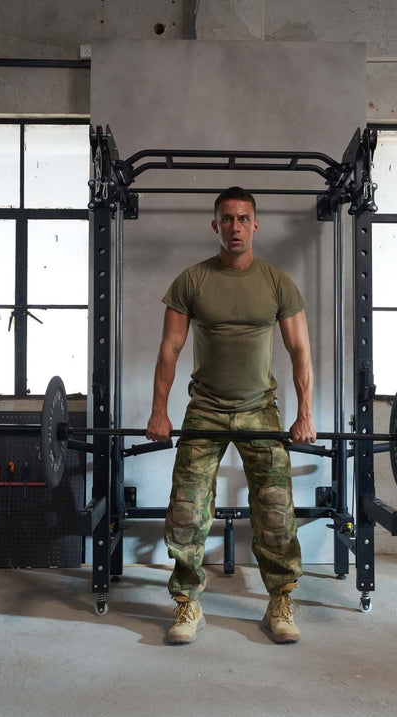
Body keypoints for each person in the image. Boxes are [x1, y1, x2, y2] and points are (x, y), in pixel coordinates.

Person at [145, 186, 316, 645]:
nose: (235, 227)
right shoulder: (192, 281)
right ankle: (187, 605)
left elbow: (300, 351)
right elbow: (170, 349)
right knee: (186, 508)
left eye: (243, 219)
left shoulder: (277, 282)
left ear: (255, 224)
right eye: (227, 218)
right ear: (215, 224)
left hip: (260, 408)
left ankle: (280, 599)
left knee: (276, 509)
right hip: (205, 407)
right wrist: (159, 411)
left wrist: (305, 414)